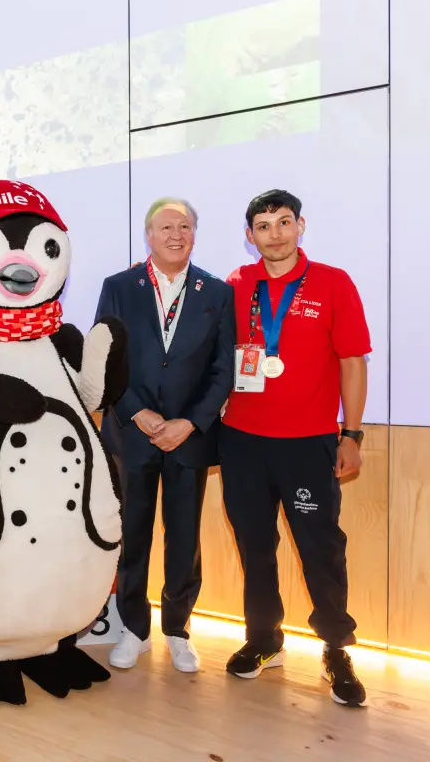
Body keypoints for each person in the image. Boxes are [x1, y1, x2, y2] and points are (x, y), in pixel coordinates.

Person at [220, 189, 370, 707]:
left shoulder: (333, 282)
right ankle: (264, 640)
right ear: (250, 235)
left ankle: (334, 648)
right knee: (255, 547)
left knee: (320, 549)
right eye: (263, 226)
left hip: (308, 443)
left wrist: (351, 434)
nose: (275, 233)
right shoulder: (235, 285)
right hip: (241, 442)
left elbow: (353, 361)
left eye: (284, 222)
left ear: (301, 226)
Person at [95, 198, 235, 674]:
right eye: (165, 227)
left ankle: (177, 628)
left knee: (184, 537)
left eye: (185, 226)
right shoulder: (118, 287)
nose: (175, 234)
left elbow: (223, 369)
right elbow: (105, 356)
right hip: (133, 433)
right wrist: (138, 413)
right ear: (148, 236)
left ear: (195, 233)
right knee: (131, 534)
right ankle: (133, 628)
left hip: (189, 437)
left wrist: (190, 422)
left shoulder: (216, 291)